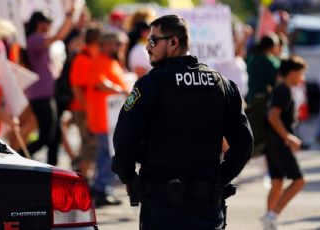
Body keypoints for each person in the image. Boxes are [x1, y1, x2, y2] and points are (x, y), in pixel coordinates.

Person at [112, 15, 253, 229]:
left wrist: (130, 178)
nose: (147, 48)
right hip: (206, 205)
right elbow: (244, 143)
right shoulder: (222, 85)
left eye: (152, 41)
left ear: (173, 42)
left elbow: (124, 140)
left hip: (161, 206)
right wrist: (220, 178)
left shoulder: (149, 86)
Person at [21, 8, 75, 165]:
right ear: (40, 24)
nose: (50, 26)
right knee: (46, 137)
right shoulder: (35, 39)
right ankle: (18, 157)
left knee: (54, 135)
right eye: (48, 23)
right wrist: (70, 16)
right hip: (41, 95)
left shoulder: (35, 39)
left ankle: (52, 167)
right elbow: (59, 36)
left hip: (45, 94)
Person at [261, 56, 307, 230]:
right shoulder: (284, 91)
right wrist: (288, 137)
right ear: (293, 73)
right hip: (280, 143)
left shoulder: (280, 88)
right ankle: (271, 216)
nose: (302, 78)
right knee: (299, 181)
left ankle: (269, 223)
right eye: (301, 74)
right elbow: (273, 116)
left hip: (272, 143)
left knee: (277, 182)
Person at [87, 32, 129, 207]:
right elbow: (100, 83)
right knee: (111, 154)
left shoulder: (111, 61)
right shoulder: (100, 61)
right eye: (115, 44)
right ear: (104, 44)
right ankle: (101, 188)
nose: (118, 47)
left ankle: (100, 188)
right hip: (104, 118)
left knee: (106, 155)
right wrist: (122, 91)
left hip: (110, 118)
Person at [69, 26, 101, 179]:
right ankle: (82, 181)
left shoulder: (93, 56)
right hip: (84, 110)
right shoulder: (83, 58)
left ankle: (83, 178)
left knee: (88, 146)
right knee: (90, 145)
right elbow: (77, 88)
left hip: (90, 109)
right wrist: (88, 110)